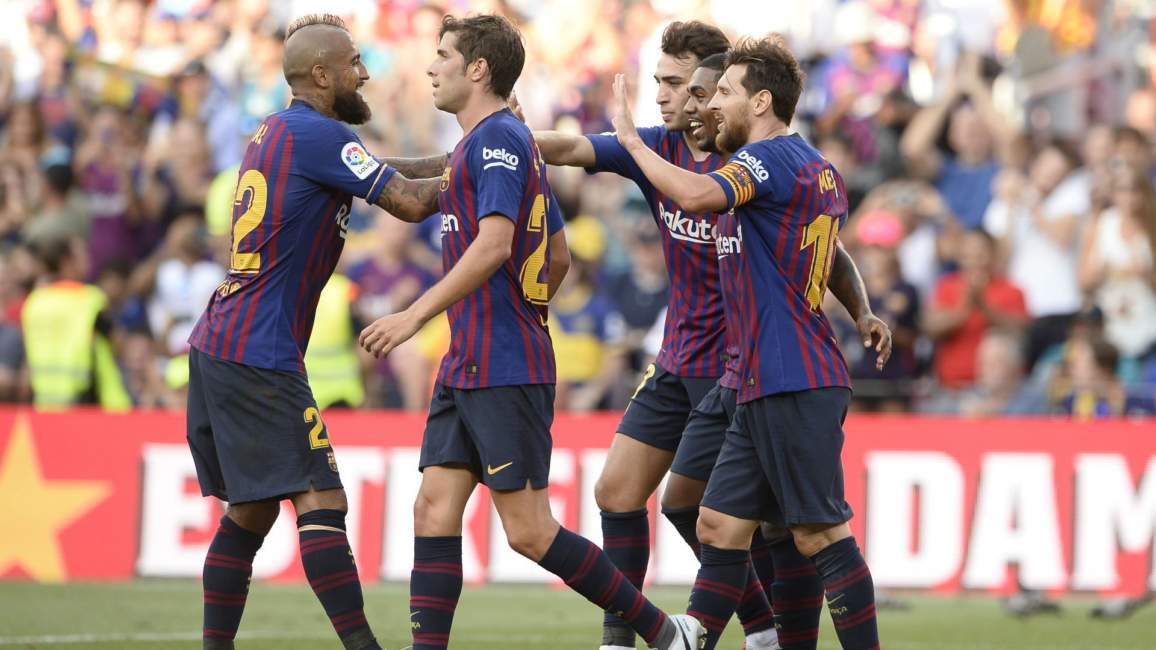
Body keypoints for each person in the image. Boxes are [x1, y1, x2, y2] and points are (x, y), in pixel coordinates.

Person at [356, 15, 703, 650]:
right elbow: (557, 254)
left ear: (478, 69)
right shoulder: (487, 142)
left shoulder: (498, 142)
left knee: (529, 531)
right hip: (469, 361)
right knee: (433, 507)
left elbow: (495, 245)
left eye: (443, 56)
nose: (430, 67)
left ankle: (662, 632)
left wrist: (415, 315)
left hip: (504, 364)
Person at [608, 35, 885, 650]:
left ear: (761, 102)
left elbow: (694, 194)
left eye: (725, 93)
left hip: (792, 375)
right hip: (753, 376)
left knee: (818, 534)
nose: (711, 105)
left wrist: (631, 142)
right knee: (715, 521)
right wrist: (862, 309)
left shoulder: (769, 161)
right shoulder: (805, 166)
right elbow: (831, 249)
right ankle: (714, 637)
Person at [184, 13, 443, 650]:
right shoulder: (322, 136)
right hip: (259, 348)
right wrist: (494, 171)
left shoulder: (281, 129)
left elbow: (381, 169)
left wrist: (463, 155)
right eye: (354, 63)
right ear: (322, 75)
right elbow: (410, 201)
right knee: (323, 501)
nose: (366, 73)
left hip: (223, 340)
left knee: (251, 511)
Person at [531, 25, 788, 650]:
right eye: (660, 83)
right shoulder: (655, 147)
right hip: (676, 356)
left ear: (714, 87)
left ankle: (764, 629)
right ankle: (621, 640)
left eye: (677, 83)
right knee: (616, 491)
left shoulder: (745, 161)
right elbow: (569, 147)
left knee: (706, 511)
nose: (665, 96)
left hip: (734, 364)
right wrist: (506, 137)